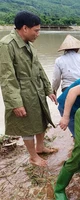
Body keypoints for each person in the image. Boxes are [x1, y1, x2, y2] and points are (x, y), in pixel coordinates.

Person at [0, 11, 57, 167]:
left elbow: (39, 68)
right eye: (36, 30)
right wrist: (16, 103)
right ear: (24, 28)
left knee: (41, 118)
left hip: (36, 89)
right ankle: (33, 156)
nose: (38, 34)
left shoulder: (28, 45)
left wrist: (48, 89)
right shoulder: (7, 45)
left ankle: (40, 147)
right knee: (27, 125)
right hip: (22, 92)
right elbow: (7, 77)